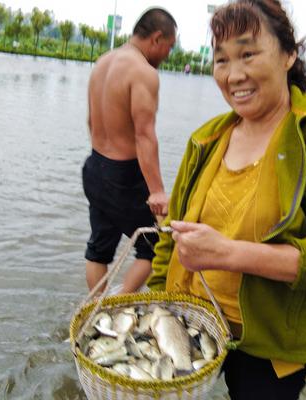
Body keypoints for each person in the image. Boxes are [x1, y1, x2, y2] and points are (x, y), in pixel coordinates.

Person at [147, 1, 306, 399]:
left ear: (289, 55)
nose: (234, 74)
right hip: (188, 320)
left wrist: (229, 253)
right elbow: (170, 237)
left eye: (248, 53)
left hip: (268, 348)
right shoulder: (207, 138)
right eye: (221, 59)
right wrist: (154, 306)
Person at [82, 8, 176, 294]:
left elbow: (90, 121)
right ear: (157, 38)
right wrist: (158, 192)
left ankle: (96, 310)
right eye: (169, 47)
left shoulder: (102, 63)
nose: (167, 55)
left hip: (95, 167)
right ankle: (117, 304)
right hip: (124, 175)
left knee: (99, 248)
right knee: (157, 247)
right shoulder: (143, 73)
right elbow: (144, 135)